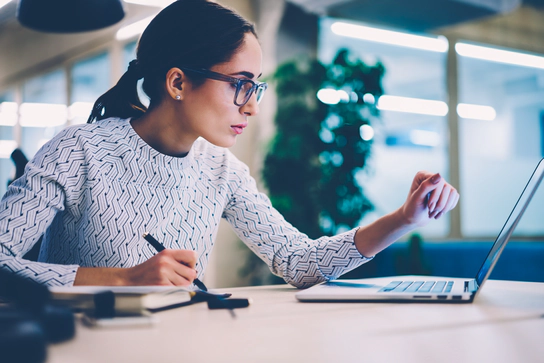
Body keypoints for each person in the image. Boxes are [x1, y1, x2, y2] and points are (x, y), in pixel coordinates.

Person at [0, 0, 458, 289]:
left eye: (256, 87)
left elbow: (297, 261)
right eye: (241, 84)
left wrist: (404, 219)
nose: (252, 106)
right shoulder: (78, 150)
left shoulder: (221, 169)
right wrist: (121, 278)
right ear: (178, 82)